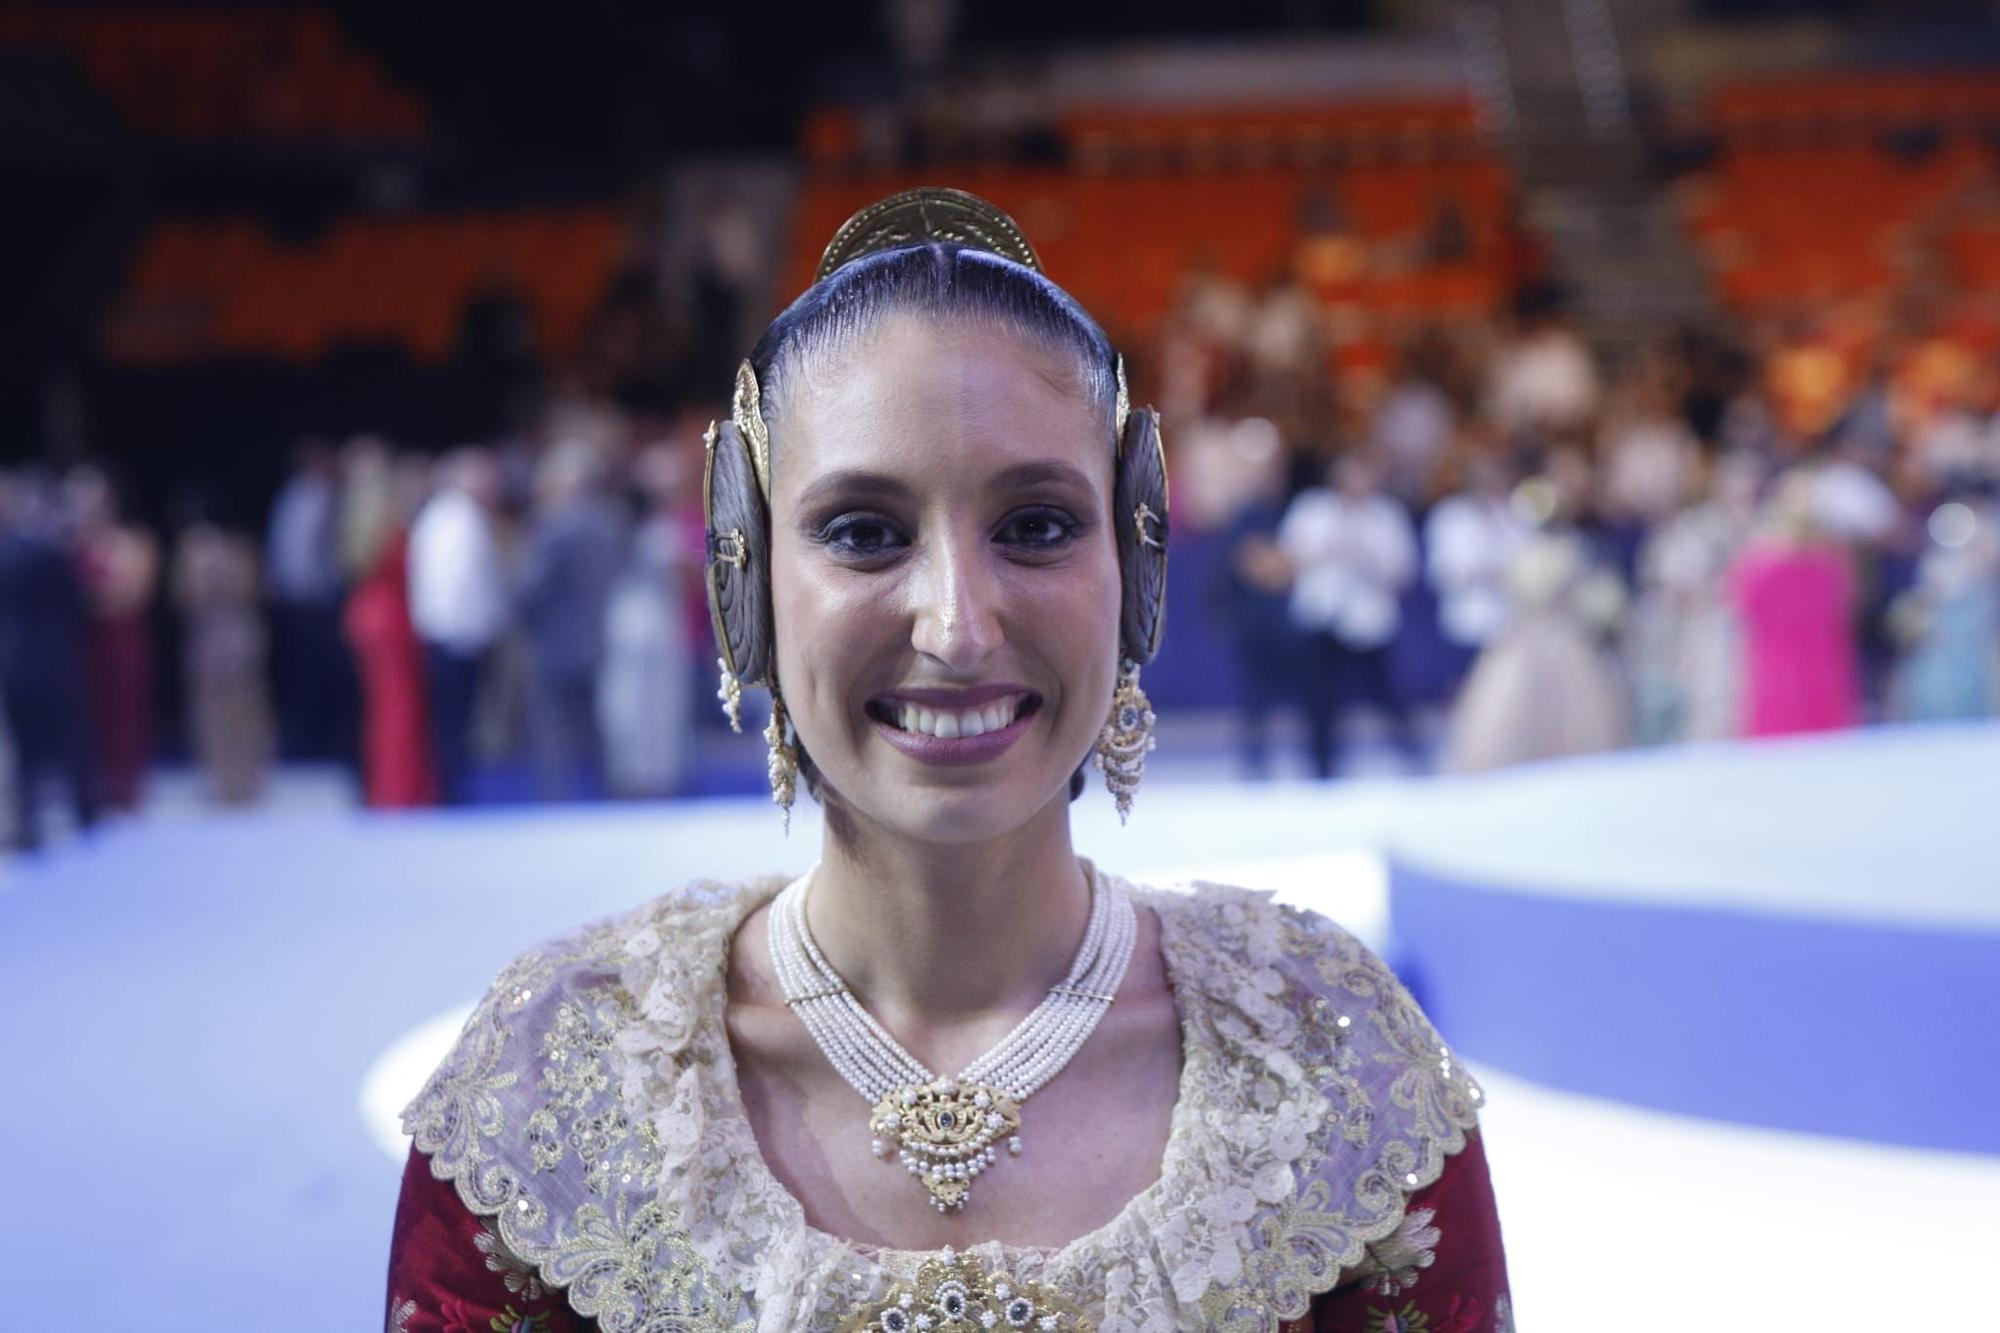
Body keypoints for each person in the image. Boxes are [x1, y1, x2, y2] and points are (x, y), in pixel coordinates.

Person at [387, 189, 1509, 1332]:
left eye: (1034, 526)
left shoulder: (1332, 1067)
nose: (957, 626)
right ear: (746, 581)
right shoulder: (559, 1090)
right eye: (864, 532)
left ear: (1136, 562)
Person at [1277, 451, 1425, 777]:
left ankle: (1415, 760)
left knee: (1389, 697)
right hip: (1322, 620)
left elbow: (1404, 572)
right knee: (1321, 701)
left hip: (1369, 623)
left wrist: (1366, 558)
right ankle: (1322, 770)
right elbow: (1285, 562)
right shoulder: (1312, 511)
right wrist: (1327, 550)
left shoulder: (1387, 516)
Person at [407, 448, 508, 804]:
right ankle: (452, 794)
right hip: (458, 635)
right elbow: (463, 583)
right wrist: (480, 627)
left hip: (441, 632)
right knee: (455, 722)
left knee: (450, 721)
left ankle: (450, 790)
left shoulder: (434, 515)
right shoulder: (463, 519)